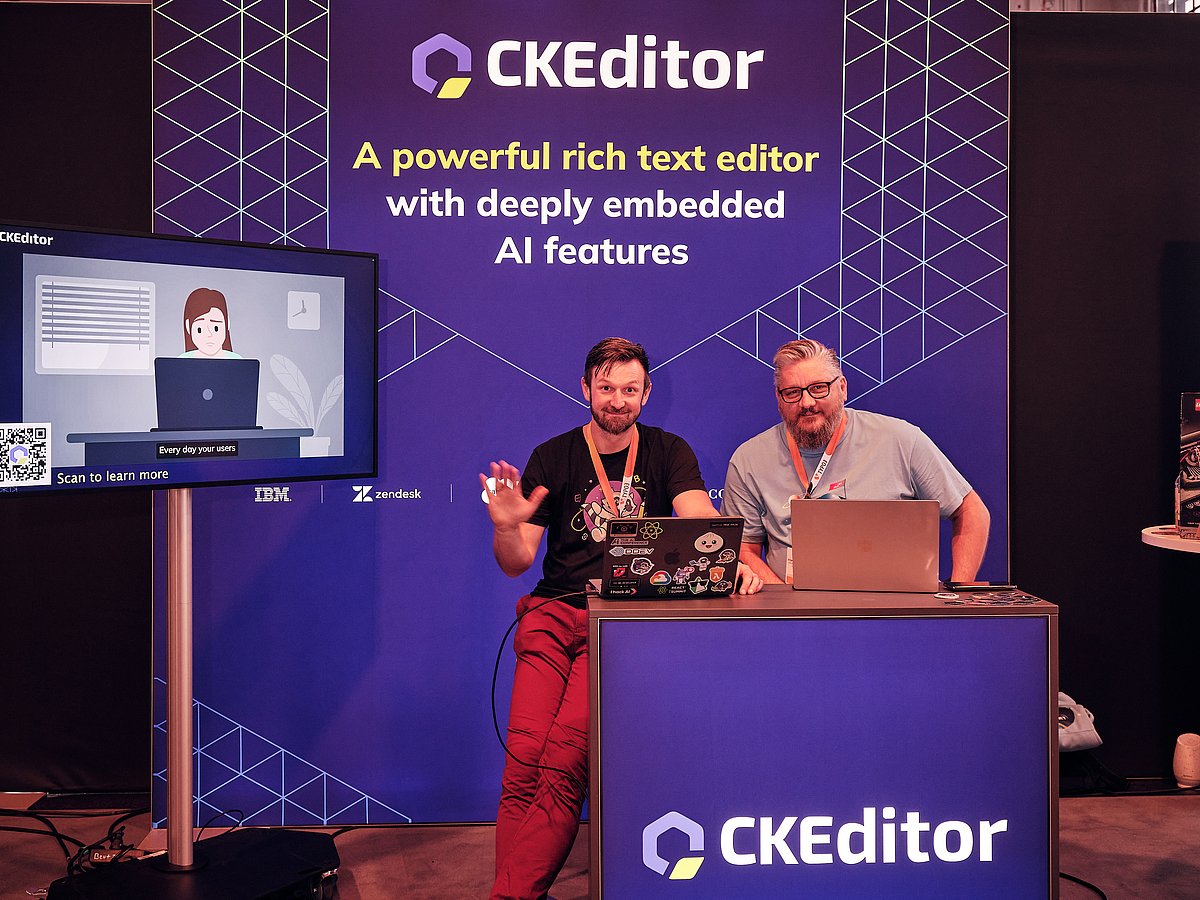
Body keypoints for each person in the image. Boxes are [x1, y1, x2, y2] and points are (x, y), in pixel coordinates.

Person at [479, 337, 761, 900]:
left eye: (629, 389)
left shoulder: (668, 451)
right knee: (524, 762)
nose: (617, 400)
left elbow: (698, 518)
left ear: (646, 393)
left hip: (616, 625)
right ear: (585, 388)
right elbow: (516, 563)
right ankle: (516, 890)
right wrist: (507, 527)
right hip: (551, 615)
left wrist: (730, 561)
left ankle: (509, 895)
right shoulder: (553, 455)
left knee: (563, 761)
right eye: (606, 388)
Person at [722, 338, 990, 584]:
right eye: (792, 392)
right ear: (779, 399)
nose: (807, 402)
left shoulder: (901, 440)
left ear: (842, 388)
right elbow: (743, 548)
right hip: (795, 611)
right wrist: (784, 602)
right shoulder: (749, 460)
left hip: (894, 607)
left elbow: (971, 511)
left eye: (818, 388)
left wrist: (960, 590)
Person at [179, 287, 242, 358]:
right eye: (199, 329)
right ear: (188, 326)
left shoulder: (236, 359)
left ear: (227, 324)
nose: (209, 334)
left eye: (216, 328)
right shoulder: (182, 360)